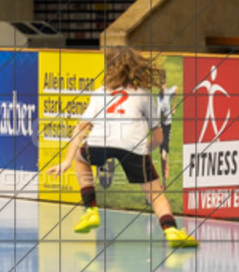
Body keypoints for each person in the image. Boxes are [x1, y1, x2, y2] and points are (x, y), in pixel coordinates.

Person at [47, 48, 199, 248]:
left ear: (109, 68)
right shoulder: (144, 95)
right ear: (135, 69)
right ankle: (171, 230)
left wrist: (67, 161)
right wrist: (148, 147)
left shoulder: (100, 91)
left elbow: (80, 129)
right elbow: (158, 136)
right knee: (155, 194)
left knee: (81, 159)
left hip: (99, 141)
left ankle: (91, 210)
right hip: (132, 145)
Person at [156, 69, 177, 185]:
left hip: (167, 127)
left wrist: (174, 107)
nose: (162, 86)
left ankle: (166, 165)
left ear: (166, 83)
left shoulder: (169, 92)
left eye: (163, 83)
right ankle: (163, 182)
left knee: (164, 156)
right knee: (161, 155)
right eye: (160, 83)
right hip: (161, 128)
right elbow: (158, 114)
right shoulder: (158, 98)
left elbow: (177, 89)